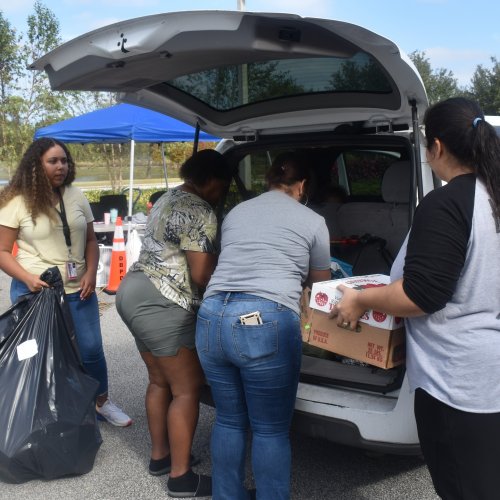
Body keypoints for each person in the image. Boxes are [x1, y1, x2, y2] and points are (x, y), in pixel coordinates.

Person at [331, 97, 500, 500]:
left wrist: (361, 300)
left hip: (456, 383)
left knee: (465, 487)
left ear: (437, 147)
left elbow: (421, 294)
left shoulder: (447, 205)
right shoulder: (490, 197)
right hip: (489, 372)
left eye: (425, 145)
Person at [196, 151, 331, 500]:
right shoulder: (313, 220)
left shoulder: (237, 212)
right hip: (263, 320)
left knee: (228, 420)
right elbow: (321, 286)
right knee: (270, 430)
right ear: (301, 186)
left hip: (211, 315)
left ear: (269, 182)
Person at [115, 149, 233, 498]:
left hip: (132, 290)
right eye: (221, 185)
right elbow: (201, 274)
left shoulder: (168, 196)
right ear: (209, 180)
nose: (221, 192)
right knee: (187, 389)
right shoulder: (200, 211)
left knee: (159, 380)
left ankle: (161, 456)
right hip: (164, 299)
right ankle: (181, 478)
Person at [0, 137, 131, 427]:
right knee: (38, 353)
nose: (61, 166)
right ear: (36, 165)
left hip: (78, 289)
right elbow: (2, 251)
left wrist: (91, 273)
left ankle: (101, 403)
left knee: (91, 349)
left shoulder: (76, 195)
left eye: (64, 160)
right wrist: (27, 279)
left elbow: (90, 241)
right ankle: (41, 411)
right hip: (37, 291)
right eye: (53, 161)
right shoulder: (17, 201)